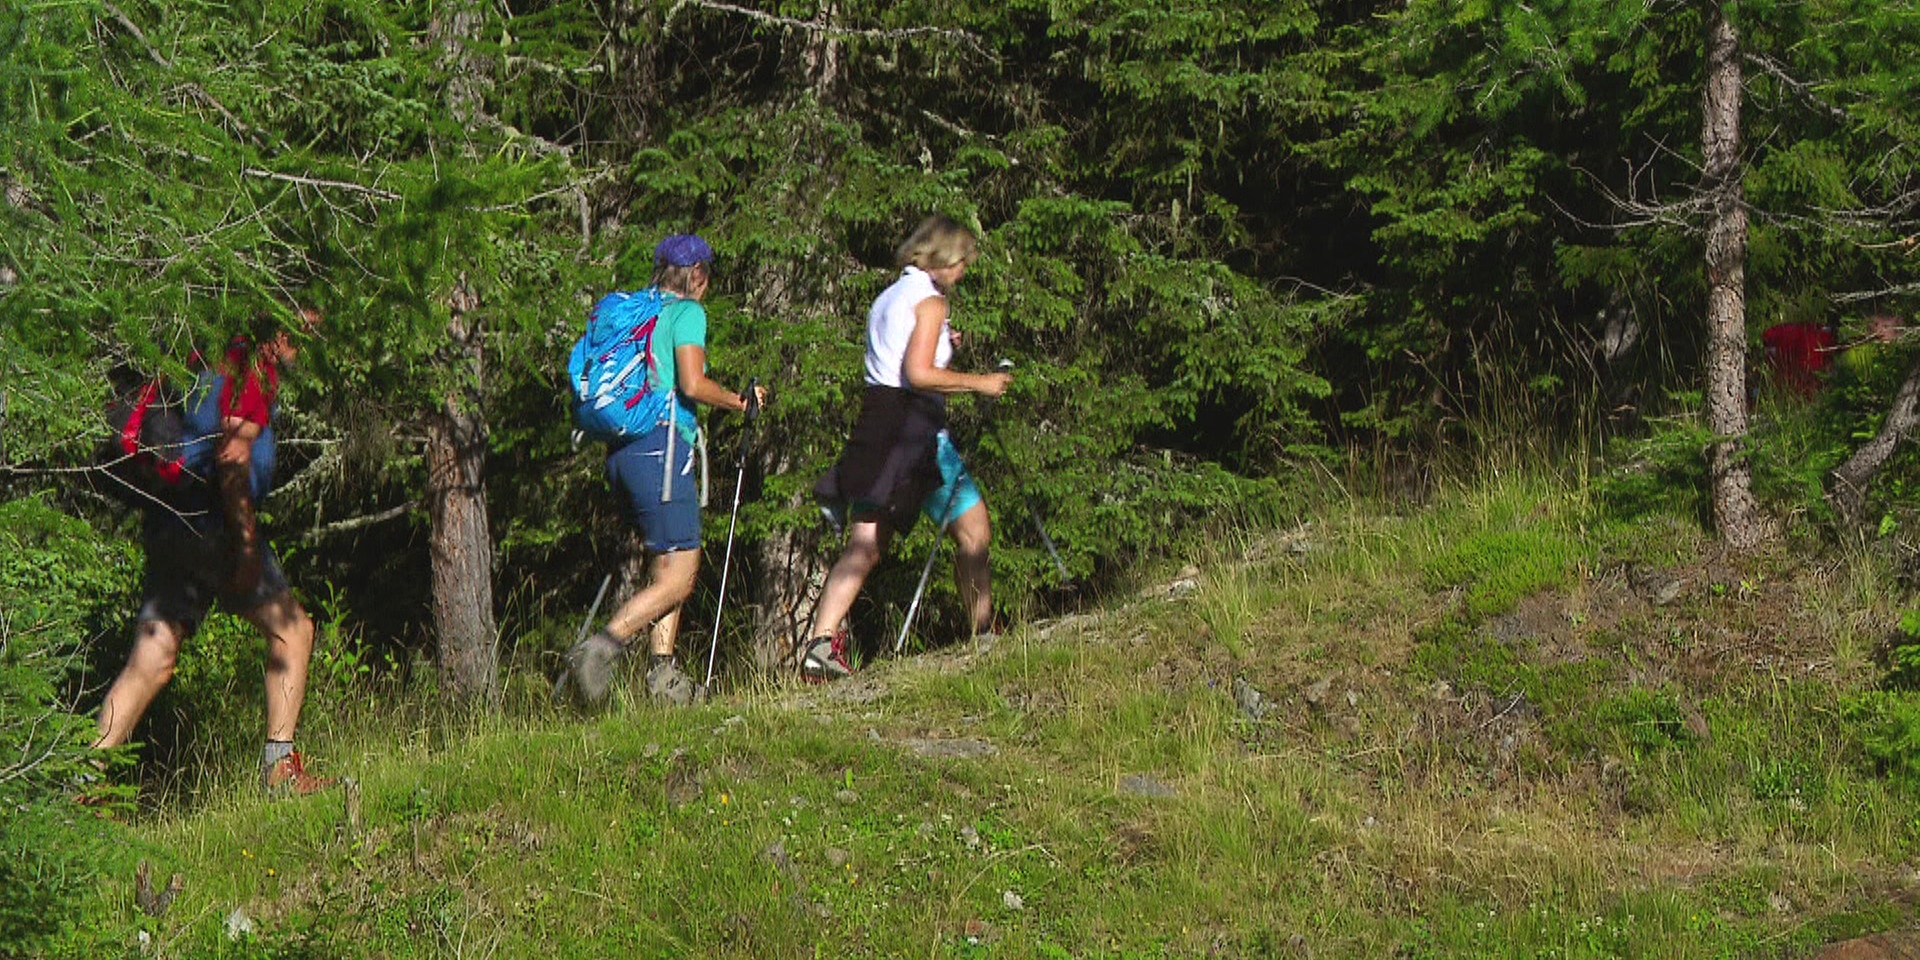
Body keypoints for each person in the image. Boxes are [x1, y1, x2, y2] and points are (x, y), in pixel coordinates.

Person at [93, 307, 334, 795]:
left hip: (169, 521)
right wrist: (245, 548)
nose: (308, 340)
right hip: (214, 524)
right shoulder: (251, 369)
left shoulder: (207, 352)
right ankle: (280, 771)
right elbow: (231, 459)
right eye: (306, 327)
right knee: (293, 631)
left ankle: (82, 780)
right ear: (281, 324)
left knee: (154, 656)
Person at [801, 215, 1011, 682]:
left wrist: (943, 346)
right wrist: (979, 382)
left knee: (865, 543)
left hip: (876, 425)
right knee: (974, 528)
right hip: (915, 431)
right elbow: (918, 373)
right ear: (945, 257)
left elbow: (896, 359)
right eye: (961, 264)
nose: (962, 273)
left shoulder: (889, 297)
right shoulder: (931, 301)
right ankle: (984, 633)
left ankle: (820, 642)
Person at [562, 233, 765, 708]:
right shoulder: (686, 313)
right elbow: (692, 383)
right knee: (682, 574)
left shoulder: (640, 310)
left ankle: (663, 679)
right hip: (662, 448)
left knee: (666, 561)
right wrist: (740, 402)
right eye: (707, 275)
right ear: (697, 276)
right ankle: (599, 650)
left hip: (623, 452)